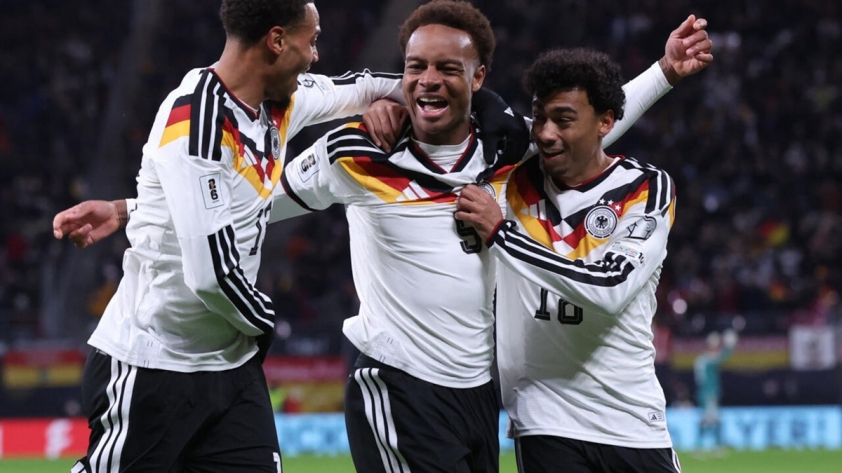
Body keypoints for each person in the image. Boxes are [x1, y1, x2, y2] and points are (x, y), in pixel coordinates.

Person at [54, 1, 712, 471]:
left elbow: (582, 133)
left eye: (447, 68)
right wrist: (133, 206)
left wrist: (663, 74)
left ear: (478, 78)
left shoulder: (507, 150)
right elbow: (253, 203)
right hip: (396, 385)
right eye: (415, 66)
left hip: (478, 395)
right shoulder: (354, 152)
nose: (428, 79)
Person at [57, 1, 408, 471]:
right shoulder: (196, 121)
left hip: (230, 369)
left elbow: (363, 87)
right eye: (312, 40)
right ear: (277, 40)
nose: (315, 56)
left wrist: (445, 95)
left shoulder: (281, 101)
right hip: (154, 364)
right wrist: (264, 323)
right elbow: (212, 275)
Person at [454, 47, 711, 472]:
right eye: (539, 118)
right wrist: (382, 105)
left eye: (563, 120)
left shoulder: (645, 188)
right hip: (545, 420)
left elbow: (610, 288)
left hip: (632, 421)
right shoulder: (510, 179)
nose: (545, 133)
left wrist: (501, 234)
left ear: (606, 123)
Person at [694, 329, 738, 452]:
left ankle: (708, 445)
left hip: (707, 392)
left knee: (710, 419)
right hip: (708, 393)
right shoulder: (706, 359)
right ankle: (707, 445)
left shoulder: (703, 359)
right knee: (710, 419)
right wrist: (729, 347)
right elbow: (721, 358)